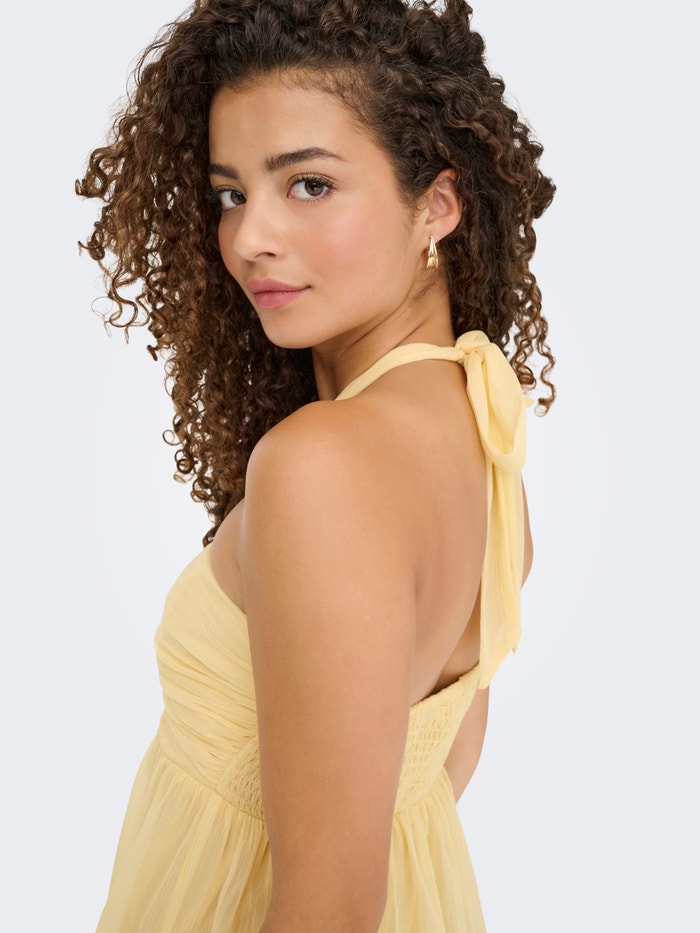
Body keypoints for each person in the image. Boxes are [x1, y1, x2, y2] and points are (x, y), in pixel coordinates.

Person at [77, 0, 555, 929]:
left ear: (437, 205)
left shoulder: (322, 465)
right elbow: (433, 773)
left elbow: (328, 912)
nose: (249, 236)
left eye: (308, 185)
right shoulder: (480, 435)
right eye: (230, 194)